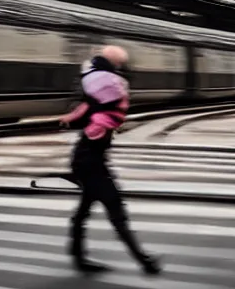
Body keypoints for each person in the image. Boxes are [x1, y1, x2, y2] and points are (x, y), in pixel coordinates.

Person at [60, 45, 161, 275]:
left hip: (87, 159)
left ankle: (78, 256)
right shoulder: (105, 96)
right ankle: (144, 260)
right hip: (91, 162)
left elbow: (83, 113)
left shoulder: (96, 98)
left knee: (85, 209)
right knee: (115, 209)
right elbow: (94, 115)